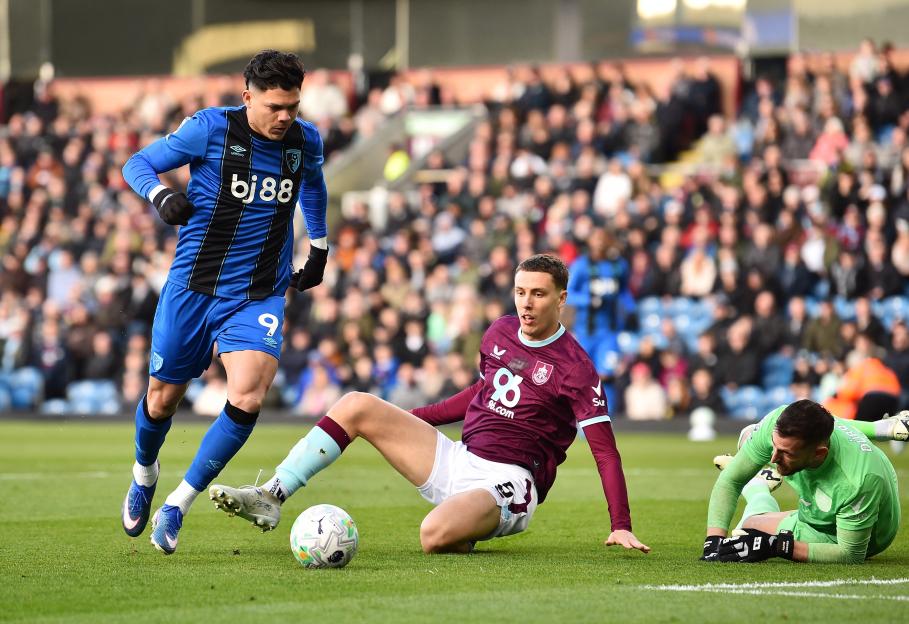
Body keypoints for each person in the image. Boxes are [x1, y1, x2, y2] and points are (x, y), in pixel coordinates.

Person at [210, 254, 650, 554]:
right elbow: (480, 395)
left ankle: (466, 525)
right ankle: (271, 495)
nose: (526, 303)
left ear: (561, 298)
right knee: (356, 404)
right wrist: (408, 421)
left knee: (431, 536)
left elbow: (605, 451)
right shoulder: (498, 332)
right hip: (459, 459)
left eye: (537, 293)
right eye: (520, 292)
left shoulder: (576, 368)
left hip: (510, 482)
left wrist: (621, 523)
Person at [119, 50, 328, 555]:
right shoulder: (210, 129)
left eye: (293, 106)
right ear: (248, 96)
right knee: (160, 399)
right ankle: (144, 472)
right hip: (193, 286)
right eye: (276, 106)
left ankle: (177, 504)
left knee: (249, 394)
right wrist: (160, 196)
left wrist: (318, 246)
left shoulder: (305, 140)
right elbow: (137, 163)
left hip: (258, 293)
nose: (285, 117)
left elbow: (314, 187)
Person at [701, 400, 906, 564]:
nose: (772, 458)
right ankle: (760, 484)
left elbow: (850, 553)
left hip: (865, 534)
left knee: (748, 529)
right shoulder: (779, 422)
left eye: (785, 452)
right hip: (829, 495)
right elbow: (730, 481)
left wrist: (777, 546)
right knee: (748, 436)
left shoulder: (859, 480)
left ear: (818, 454)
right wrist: (713, 543)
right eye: (773, 446)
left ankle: (758, 486)